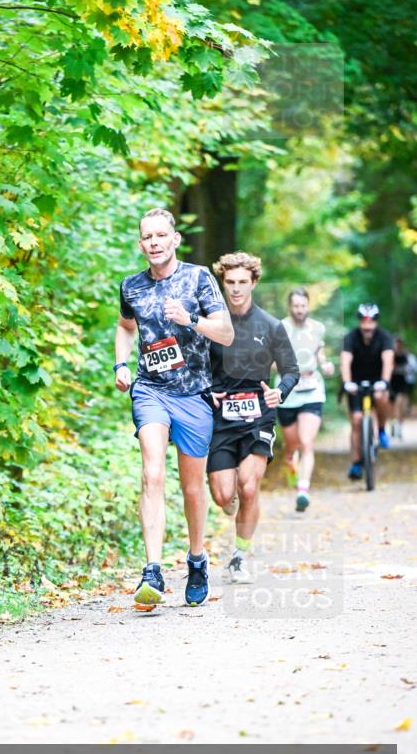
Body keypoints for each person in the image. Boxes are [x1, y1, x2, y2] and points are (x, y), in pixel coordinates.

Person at [115, 208, 234, 608]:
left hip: (194, 394)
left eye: (161, 235)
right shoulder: (131, 286)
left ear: (175, 239)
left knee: (192, 487)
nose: (154, 242)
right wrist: (120, 364)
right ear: (140, 244)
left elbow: (226, 333)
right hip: (151, 390)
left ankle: (197, 559)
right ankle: (152, 570)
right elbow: (125, 326)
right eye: (147, 237)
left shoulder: (199, 278)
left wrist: (191, 319)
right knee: (151, 473)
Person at [207, 252, 299, 583]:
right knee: (223, 496)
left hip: (259, 415)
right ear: (223, 282)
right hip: (221, 417)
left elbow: (291, 370)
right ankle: (229, 498)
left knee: (249, 485)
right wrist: (207, 391)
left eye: (242, 282)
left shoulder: (271, 326)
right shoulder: (210, 324)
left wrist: (280, 392)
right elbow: (195, 367)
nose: (236, 289)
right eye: (230, 282)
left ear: (254, 282)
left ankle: (239, 556)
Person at [277, 287, 336, 512]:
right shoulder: (280, 327)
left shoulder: (317, 328)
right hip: (287, 389)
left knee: (306, 441)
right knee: (292, 444)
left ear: (308, 306)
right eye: (296, 306)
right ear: (290, 307)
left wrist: (326, 365)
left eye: (303, 305)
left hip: (312, 388)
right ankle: (290, 459)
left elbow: (320, 355)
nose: (299, 310)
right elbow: (271, 359)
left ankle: (303, 490)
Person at [341, 304, 394, 479]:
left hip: (378, 381)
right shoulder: (350, 337)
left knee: (380, 396)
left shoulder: (385, 337)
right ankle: (356, 463)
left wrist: (385, 381)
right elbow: (345, 361)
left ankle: (381, 429)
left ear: (376, 322)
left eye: (371, 322)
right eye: (364, 322)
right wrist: (347, 382)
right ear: (360, 322)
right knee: (356, 420)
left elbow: (388, 361)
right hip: (356, 383)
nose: (367, 327)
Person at [389, 337, 416, 439]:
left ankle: (399, 427)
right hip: (392, 384)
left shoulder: (405, 355)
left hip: (402, 384)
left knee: (402, 406)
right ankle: (394, 425)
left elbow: (410, 369)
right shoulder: (389, 355)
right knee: (393, 407)